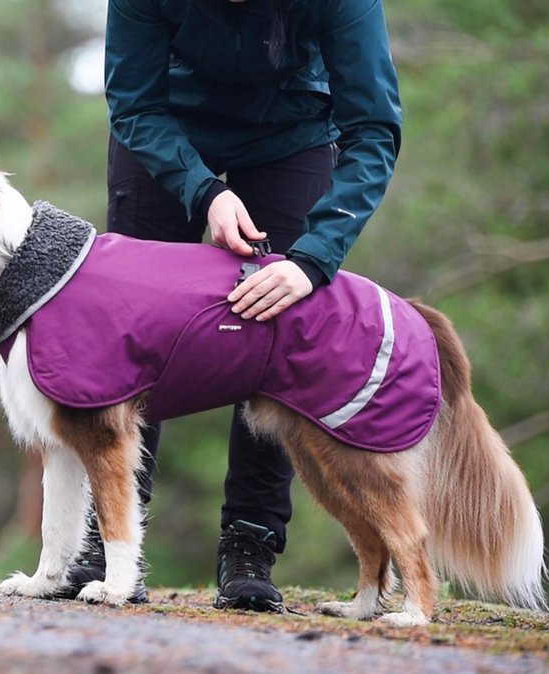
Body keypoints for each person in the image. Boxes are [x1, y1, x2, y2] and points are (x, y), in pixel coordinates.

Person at [63, 0, 402, 612]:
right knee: (128, 326)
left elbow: (374, 129)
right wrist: (206, 192)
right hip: (165, 123)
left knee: (276, 324)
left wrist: (314, 258)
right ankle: (109, 542)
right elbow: (135, 102)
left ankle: (250, 544)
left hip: (291, 132)